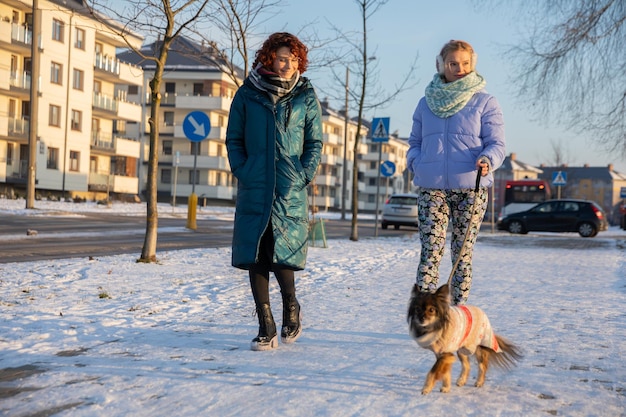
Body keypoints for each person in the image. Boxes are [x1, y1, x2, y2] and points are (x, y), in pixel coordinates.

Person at [226, 32, 323, 351]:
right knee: (257, 254)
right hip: (255, 184)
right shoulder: (247, 94)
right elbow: (234, 139)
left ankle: (291, 306)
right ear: (269, 58)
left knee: (283, 252)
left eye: (294, 60)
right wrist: (244, 169)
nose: (288, 65)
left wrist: (302, 174)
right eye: (282, 58)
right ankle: (265, 325)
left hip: (288, 186)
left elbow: (314, 142)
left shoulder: (306, 95)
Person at [406, 39, 506, 305]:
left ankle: (458, 311)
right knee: (431, 252)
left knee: (461, 254)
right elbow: (414, 143)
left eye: (464, 63)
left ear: (472, 65)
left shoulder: (485, 102)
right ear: (441, 65)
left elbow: (497, 143)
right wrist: (416, 162)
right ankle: (425, 311)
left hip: (471, 188)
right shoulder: (425, 103)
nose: (459, 68)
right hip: (432, 188)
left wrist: (488, 159)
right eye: (453, 63)